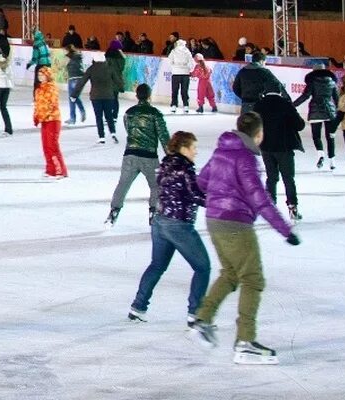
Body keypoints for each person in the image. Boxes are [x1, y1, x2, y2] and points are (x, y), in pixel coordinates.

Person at [187, 112, 300, 365]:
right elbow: (259, 198)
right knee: (253, 279)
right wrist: (285, 230)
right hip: (235, 223)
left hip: (214, 221)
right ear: (258, 135)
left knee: (230, 273)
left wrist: (217, 200)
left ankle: (202, 320)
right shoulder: (246, 158)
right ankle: (245, 342)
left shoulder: (220, 152)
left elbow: (201, 183)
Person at [127, 131, 210, 323]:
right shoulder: (185, 168)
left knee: (157, 265)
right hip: (178, 225)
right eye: (193, 147)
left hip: (160, 221)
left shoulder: (165, 164)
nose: (196, 152)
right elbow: (196, 195)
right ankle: (195, 313)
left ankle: (138, 307)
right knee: (203, 267)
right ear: (183, 148)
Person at [106, 84, 167, 226]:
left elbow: (129, 130)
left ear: (136, 96)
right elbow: (163, 136)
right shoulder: (155, 114)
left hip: (130, 155)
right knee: (156, 186)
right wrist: (171, 155)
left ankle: (114, 210)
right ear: (150, 96)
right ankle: (153, 212)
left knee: (123, 184)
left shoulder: (129, 112)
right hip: (149, 157)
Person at [252, 92, 306, 220]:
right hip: (284, 147)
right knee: (288, 178)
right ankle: (292, 207)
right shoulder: (286, 104)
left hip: (266, 147)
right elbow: (300, 125)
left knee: (271, 177)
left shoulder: (259, 105)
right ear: (280, 92)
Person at [292, 66, 339, 171]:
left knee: (316, 136)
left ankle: (320, 154)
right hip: (329, 111)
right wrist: (339, 112)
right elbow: (336, 98)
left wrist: (293, 105)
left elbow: (305, 96)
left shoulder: (312, 81)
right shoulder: (332, 82)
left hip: (315, 110)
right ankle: (332, 161)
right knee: (330, 137)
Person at [33, 65, 66, 179]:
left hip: (53, 120)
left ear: (48, 76)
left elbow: (51, 104)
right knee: (46, 145)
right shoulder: (39, 89)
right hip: (44, 120)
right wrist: (36, 116)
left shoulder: (51, 88)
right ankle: (50, 169)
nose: (40, 77)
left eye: (42, 75)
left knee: (52, 146)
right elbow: (38, 105)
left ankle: (60, 170)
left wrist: (43, 115)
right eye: (39, 75)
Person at [86, 52, 121, 142]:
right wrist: (121, 87)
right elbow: (117, 80)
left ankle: (101, 137)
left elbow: (82, 81)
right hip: (108, 95)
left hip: (96, 96)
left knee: (99, 116)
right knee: (109, 115)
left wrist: (74, 94)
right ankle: (113, 132)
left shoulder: (91, 69)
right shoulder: (110, 68)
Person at [167, 38, 194, 113]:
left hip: (176, 73)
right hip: (185, 74)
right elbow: (191, 63)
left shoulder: (174, 51)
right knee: (184, 90)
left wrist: (175, 66)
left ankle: (174, 105)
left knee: (175, 90)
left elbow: (169, 61)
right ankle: (186, 105)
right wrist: (187, 68)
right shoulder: (187, 51)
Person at [64, 45, 87, 125]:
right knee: (74, 97)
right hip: (81, 78)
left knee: (72, 97)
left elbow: (66, 67)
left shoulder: (70, 57)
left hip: (73, 78)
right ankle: (81, 112)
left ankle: (73, 117)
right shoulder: (78, 57)